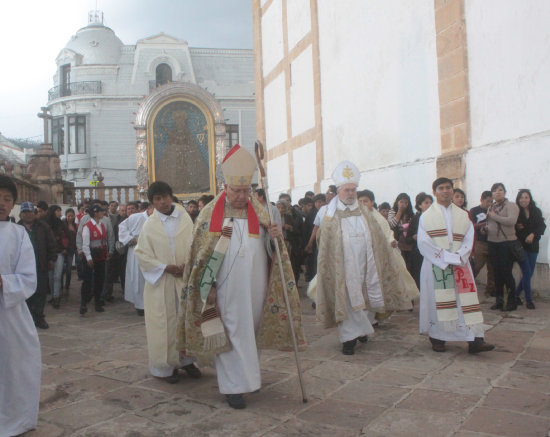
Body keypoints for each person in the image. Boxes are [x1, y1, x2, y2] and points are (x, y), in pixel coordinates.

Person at [178, 144, 305, 409]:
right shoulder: (208, 215)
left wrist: (275, 239)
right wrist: (207, 286)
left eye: (246, 190)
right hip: (225, 287)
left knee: (252, 328)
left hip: (256, 285)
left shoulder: (260, 211)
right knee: (232, 330)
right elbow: (200, 256)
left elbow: (271, 252)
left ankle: (248, 379)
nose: (241, 196)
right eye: (236, 191)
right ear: (225, 187)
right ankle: (233, 387)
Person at [315, 161, 417, 355]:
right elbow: (325, 242)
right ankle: (348, 339)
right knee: (347, 299)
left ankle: (361, 330)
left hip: (366, 265)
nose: (351, 193)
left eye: (354, 190)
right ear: (339, 191)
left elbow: (378, 235)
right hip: (343, 267)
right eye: (347, 190)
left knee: (366, 297)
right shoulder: (329, 215)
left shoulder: (366, 213)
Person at [417, 177, 494, 354]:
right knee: (438, 302)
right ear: (435, 192)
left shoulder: (463, 215)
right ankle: (438, 338)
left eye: (449, 188)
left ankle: (475, 340)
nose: (446, 191)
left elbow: (469, 237)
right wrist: (445, 258)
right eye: (441, 188)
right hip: (437, 266)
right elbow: (423, 243)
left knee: (465, 303)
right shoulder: (426, 217)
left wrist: (459, 256)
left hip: (460, 265)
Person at [135, 181, 201, 383]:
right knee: (164, 324)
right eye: (157, 199)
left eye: (165, 197)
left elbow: (194, 243)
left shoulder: (185, 219)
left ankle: (187, 360)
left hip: (183, 279)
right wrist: (165, 267)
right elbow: (142, 255)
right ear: (152, 203)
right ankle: (165, 367)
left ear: (171, 196)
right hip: (162, 283)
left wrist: (187, 266)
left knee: (185, 320)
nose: (162, 202)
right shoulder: (149, 225)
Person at [0, 175, 41, 437]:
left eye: (6, 199)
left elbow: (29, 278)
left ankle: (15, 418)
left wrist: (3, 283)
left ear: (13, 204)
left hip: (10, 312)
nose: (1, 204)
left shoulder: (18, 235)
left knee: (15, 366)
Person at [18, 202, 57, 329]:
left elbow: (51, 243)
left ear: (34, 213)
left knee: (40, 293)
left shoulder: (43, 227)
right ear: (20, 214)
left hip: (40, 265)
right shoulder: (16, 228)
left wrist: (52, 259)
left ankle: (39, 317)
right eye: (25, 212)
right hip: (22, 268)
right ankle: (27, 318)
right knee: (26, 294)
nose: (28, 215)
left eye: (30, 212)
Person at [487, 183, 520, 312]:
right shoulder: (491, 207)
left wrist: (495, 216)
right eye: (495, 191)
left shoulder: (511, 206)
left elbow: (512, 221)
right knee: (497, 273)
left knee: (506, 272)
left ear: (505, 192)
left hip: (506, 243)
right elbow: (490, 223)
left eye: (500, 190)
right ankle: (499, 301)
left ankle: (512, 301)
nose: (498, 192)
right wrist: (486, 228)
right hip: (492, 242)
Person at [119, 203, 153, 315]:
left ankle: (151, 304)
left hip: (152, 253)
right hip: (136, 252)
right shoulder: (136, 217)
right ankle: (140, 305)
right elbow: (122, 227)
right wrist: (129, 238)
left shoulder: (158, 220)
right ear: (149, 208)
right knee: (138, 278)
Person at [514, 189, 546, 309]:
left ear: (530, 199)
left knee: (529, 272)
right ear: (518, 199)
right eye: (521, 197)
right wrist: (523, 233)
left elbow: (541, 226)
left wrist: (532, 234)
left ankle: (516, 294)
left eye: (526, 197)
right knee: (526, 272)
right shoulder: (516, 212)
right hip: (521, 247)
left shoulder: (536, 211)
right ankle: (528, 300)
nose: (524, 200)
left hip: (533, 246)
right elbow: (515, 230)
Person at [80, 204, 110, 314]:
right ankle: (83, 303)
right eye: (101, 211)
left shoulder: (102, 225)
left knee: (100, 280)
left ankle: (97, 302)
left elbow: (104, 240)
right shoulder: (87, 226)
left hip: (100, 254)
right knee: (87, 280)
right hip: (91, 254)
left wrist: (106, 253)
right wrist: (88, 257)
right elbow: (85, 244)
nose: (103, 213)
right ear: (96, 213)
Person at [469, 191, 495, 296]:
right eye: (487, 201)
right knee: (476, 266)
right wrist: (485, 224)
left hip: (492, 242)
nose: (489, 204)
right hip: (480, 242)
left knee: (492, 268)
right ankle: (468, 285)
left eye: (491, 201)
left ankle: (490, 290)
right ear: (482, 200)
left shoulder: (493, 211)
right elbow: (471, 226)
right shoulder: (474, 210)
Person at [406, 192, 433, 288]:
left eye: (431, 202)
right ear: (420, 205)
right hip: (418, 254)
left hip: (433, 252)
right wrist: (414, 237)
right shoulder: (416, 218)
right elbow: (407, 239)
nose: (429, 205)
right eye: (426, 203)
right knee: (420, 279)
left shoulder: (436, 218)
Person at [46, 205, 69, 309]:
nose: (60, 212)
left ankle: (56, 297)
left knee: (57, 275)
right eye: (58, 210)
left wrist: (65, 247)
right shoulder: (46, 224)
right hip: (50, 253)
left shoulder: (62, 224)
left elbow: (67, 236)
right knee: (50, 276)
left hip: (59, 252)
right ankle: (53, 295)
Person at [388, 193, 415, 273]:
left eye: (406, 203)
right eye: (401, 202)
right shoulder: (392, 211)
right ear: (397, 202)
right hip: (396, 243)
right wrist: (399, 212)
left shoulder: (411, 214)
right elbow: (391, 225)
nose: (403, 204)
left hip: (408, 244)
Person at [62, 208, 78, 297]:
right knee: (61, 268)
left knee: (68, 269)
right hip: (63, 249)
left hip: (71, 249)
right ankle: (60, 285)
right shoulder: (62, 225)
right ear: (66, 216)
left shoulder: (75, 226)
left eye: (72, 216)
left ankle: (67, 285)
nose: (70, 218)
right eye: (68, 216)